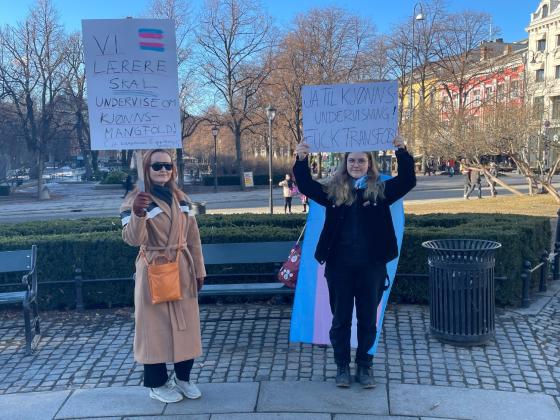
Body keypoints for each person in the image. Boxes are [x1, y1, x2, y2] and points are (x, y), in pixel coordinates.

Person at [293, 136, 416, 389]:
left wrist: (402, 151)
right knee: (340, 320)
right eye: (352, 160)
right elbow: (306, 185)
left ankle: (365, 366)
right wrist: (301, 158)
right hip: (339, 268)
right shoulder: (334, 191)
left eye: (362, 160)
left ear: (370, 163)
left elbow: (407, 181)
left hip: (371, 267)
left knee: (368, 319)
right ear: (344, 163)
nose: (356, 164)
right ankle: (342, 367)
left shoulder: (380, 191)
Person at [120, 149, 206, 403]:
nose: (163, 171)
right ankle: (156, 384)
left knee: (186, 326)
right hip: (153, 268)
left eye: (168, 166)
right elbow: (132, 239)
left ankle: (183, 378)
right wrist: (138, 213)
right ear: (146, 168)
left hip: (181, 268)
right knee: (153, 329)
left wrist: (199, 269)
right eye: (156, 166)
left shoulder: (181, 198)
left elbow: (193, 238)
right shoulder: (134, 200)